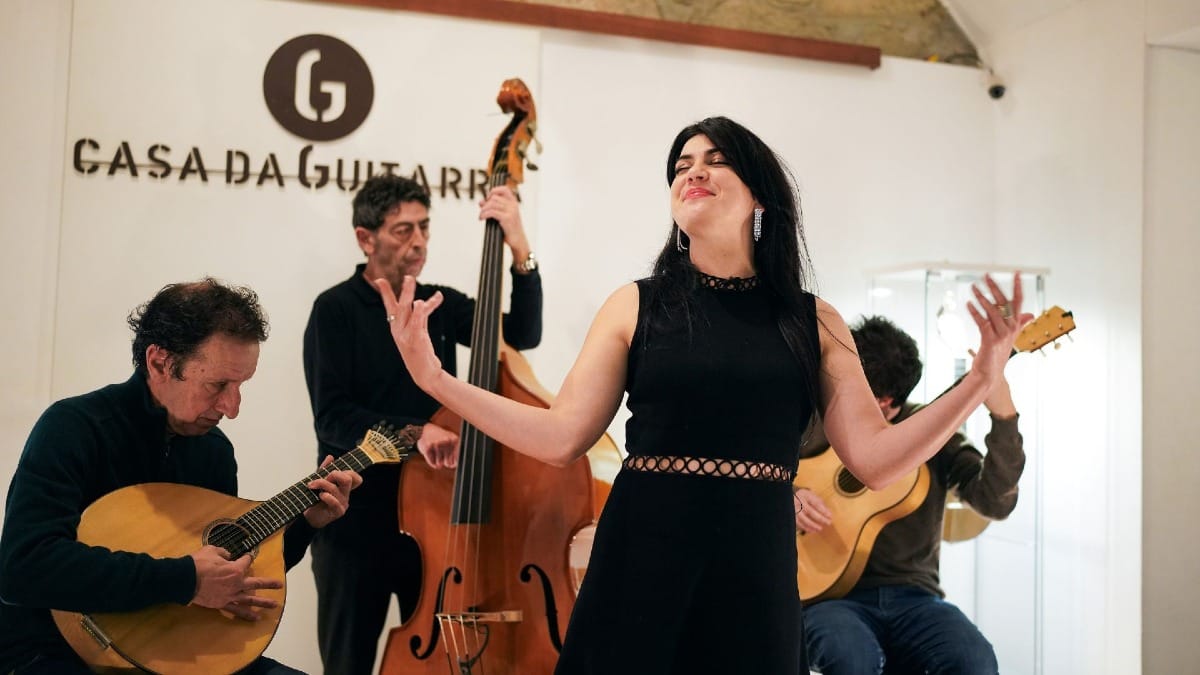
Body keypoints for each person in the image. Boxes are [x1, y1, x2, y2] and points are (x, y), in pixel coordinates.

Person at [377, 116, 1031, 674]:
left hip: (754, 566)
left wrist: (980, 381)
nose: (694, 171)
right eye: (682, 164)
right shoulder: (634, 305)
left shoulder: (813, 321)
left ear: (760, 196)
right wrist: (437, 381)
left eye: (716, 160)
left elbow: (877, 459)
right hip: (641, 555)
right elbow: (559, 436)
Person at [0, 278, 362, 675]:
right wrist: (184, 579)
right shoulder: (75, 427)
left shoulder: (213, 451)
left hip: (166, 648)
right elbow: (24, 566)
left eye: (241, 386)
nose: (232, 407)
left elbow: (223, 569)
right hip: (52, 652)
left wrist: (306, 525)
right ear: (159, 363)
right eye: (218, 385)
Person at [302, 174, 542, 674]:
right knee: (347, 666)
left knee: (435, 662)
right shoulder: (334, 309)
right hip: (355, 525)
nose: (419, 242)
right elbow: (334, 418)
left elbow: (522, 333)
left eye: (425, 227)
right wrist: (418, 432)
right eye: (403, 230)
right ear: (365, 238)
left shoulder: (438, 304)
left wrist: (520, 248)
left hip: (432, 523)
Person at [797, 315, 1024, 675]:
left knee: (974, 660)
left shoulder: (935, 436)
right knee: (851, 657)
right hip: (828, 599)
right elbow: (752, 482)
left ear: (889, 402)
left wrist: (1005, 417)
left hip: (914, 597)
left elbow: (996, 502)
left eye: (869, 400)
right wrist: (791, 496)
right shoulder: (808, 423)